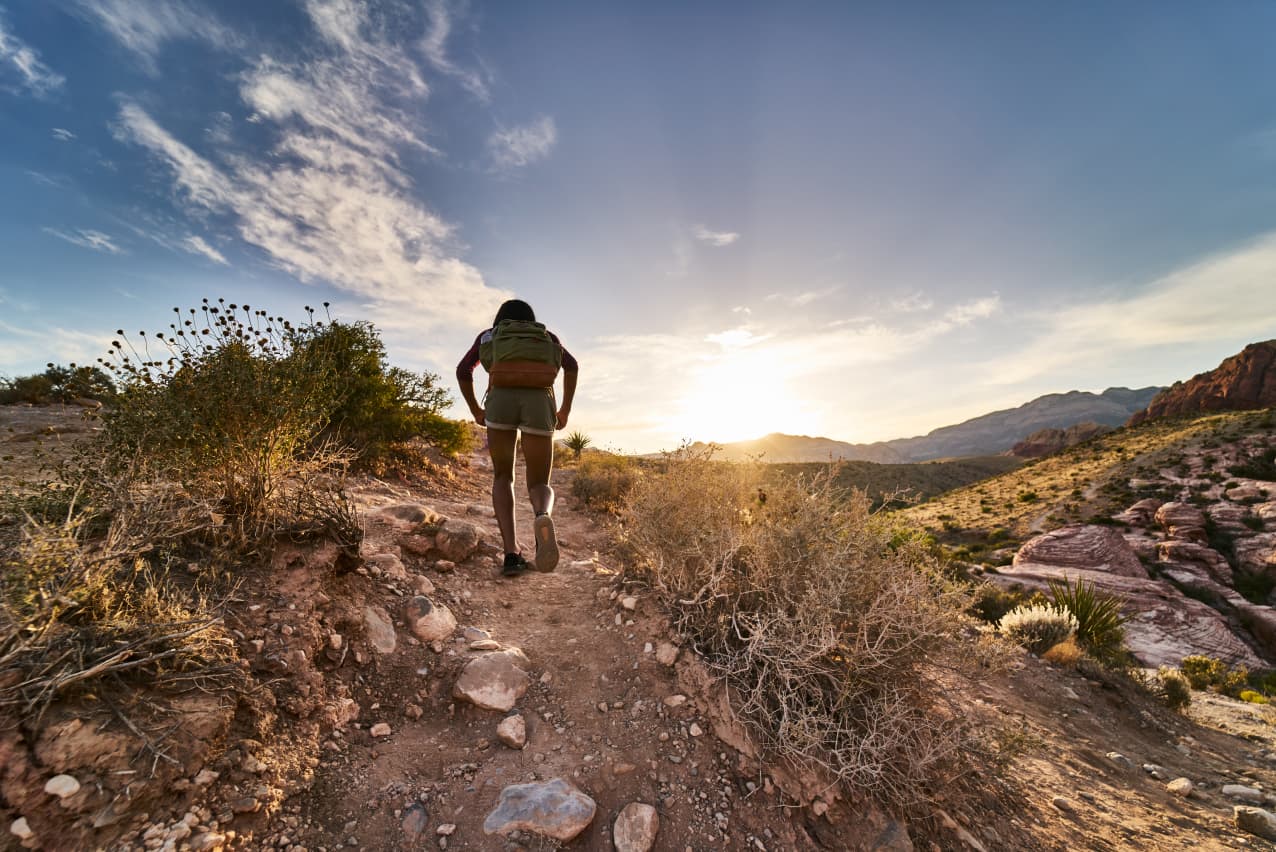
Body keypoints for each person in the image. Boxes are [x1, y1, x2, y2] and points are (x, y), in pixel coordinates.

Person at [457, 299, 578, 577]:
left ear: (501, 318)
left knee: (503, 477)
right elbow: (571, 366)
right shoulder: (547, 337)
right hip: (540, 404)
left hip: (500, 402)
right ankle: (542, 515)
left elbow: (463, 370)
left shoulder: (489, 335)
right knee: (538, 482)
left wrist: (476, 409)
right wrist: (565, 410)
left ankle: (511, 554)